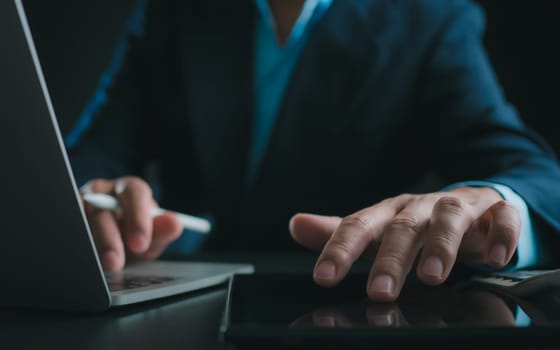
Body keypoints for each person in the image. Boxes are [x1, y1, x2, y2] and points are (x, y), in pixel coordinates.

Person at [67, 0, 560, 302]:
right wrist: (94, 195)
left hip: (352, 308)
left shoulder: (429, 18)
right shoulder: (174, 9)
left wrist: (492, 203)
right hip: (173, 306)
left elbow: (531, 173)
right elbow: (91, 156)